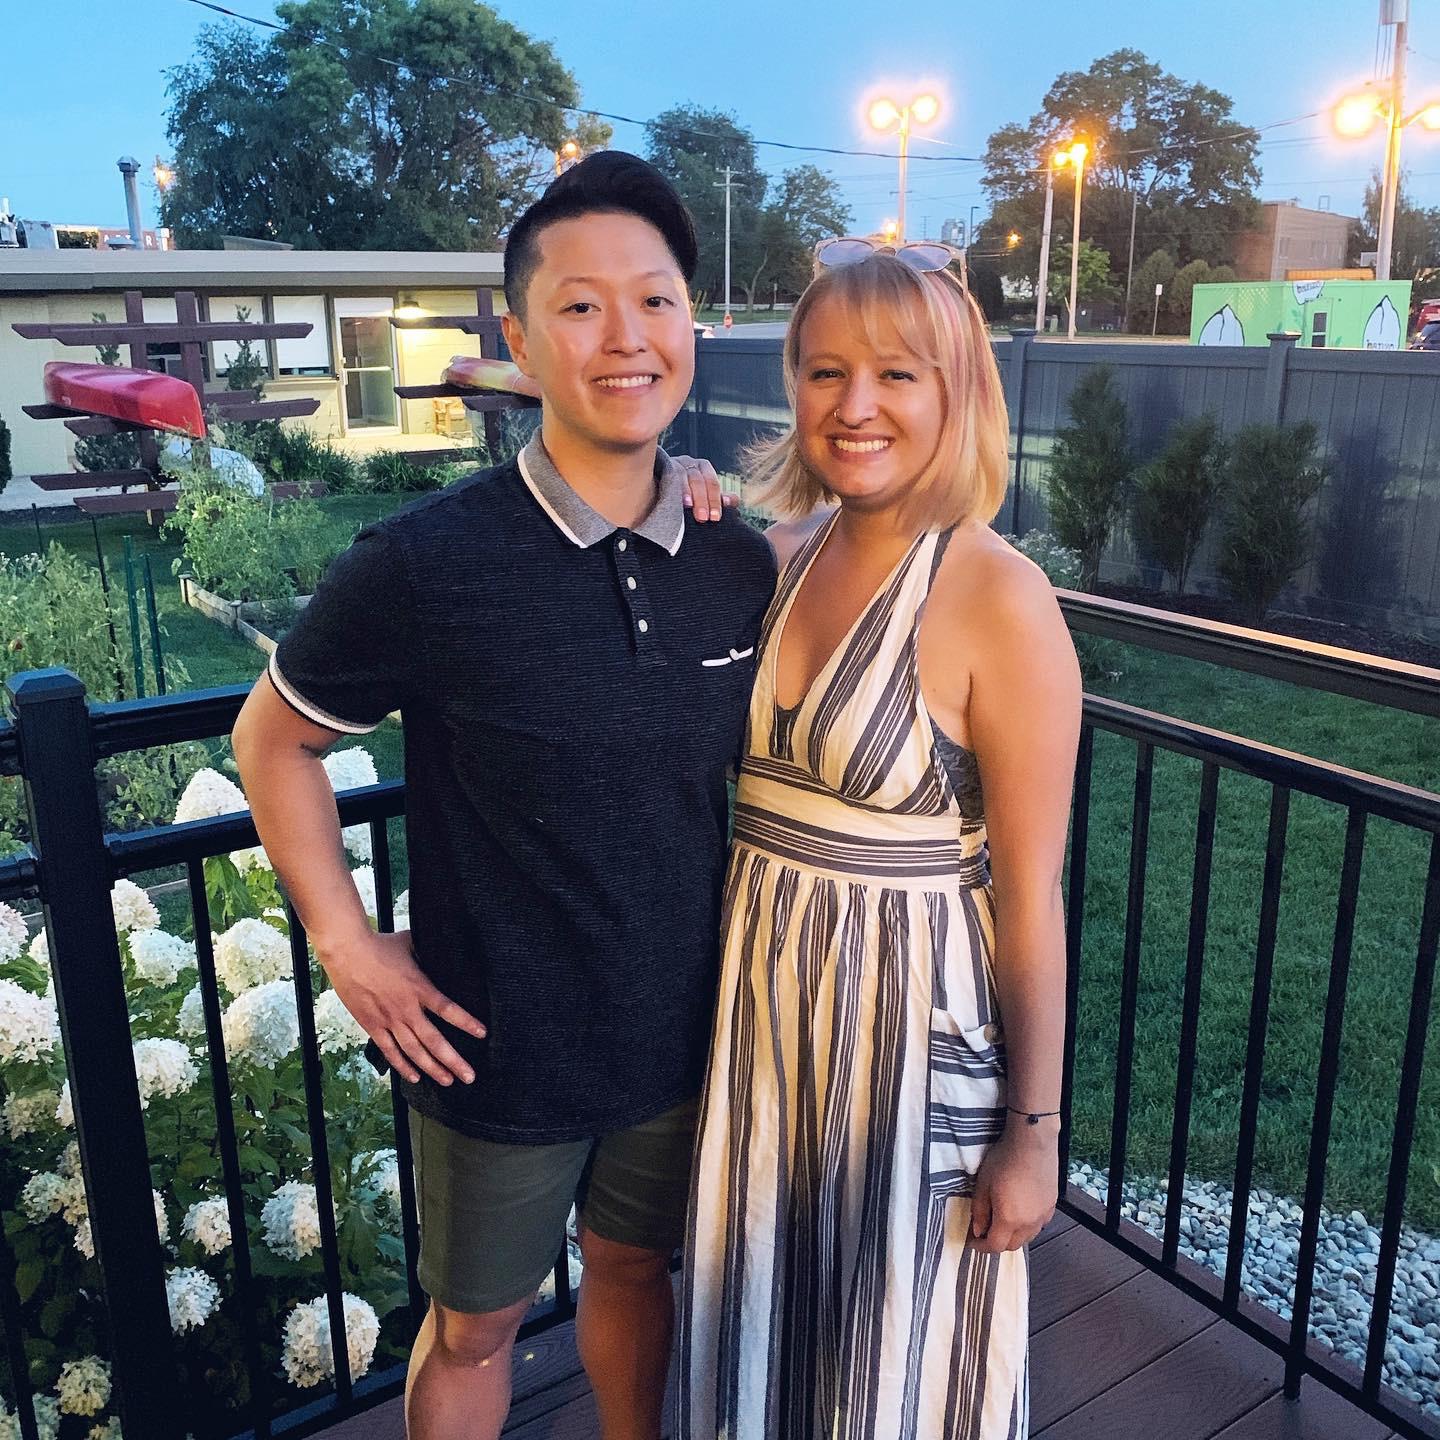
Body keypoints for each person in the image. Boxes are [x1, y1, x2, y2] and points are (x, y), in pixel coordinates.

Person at [231, 151, 776, 1440]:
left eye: (656, 300)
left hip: (686, 1031)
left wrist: (719, 495)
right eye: (582, 306)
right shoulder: (424, 563)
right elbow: (274, 743)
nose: (627, 336)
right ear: (520, 342)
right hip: (497, 1039)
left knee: (639, 1274)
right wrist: (347, 946)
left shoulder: (736, 559)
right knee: (474, 1330)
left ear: (693, 326)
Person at [679, 239, 1081, 1439]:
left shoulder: (997, 596)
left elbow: (1032, 897)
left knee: (893, 1374)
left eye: (898, 376)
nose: (855, 408)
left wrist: (1034, 1135)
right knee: (760, 1337)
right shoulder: (783, 561)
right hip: (764, 1032)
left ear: (956, 394)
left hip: (906, 1052)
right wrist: (681, 495)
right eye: (824, 373)